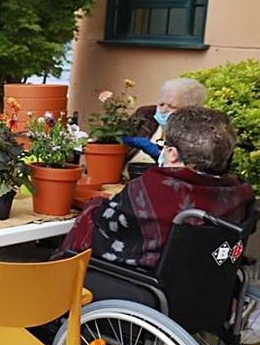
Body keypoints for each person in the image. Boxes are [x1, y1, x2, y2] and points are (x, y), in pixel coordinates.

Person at [61, 107, 253, 273]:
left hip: (143, 286)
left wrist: (95, 206)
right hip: (204, 292)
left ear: (172, 154)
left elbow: (108, 224)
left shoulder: (153, 190)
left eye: (165, 145)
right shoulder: (238, 193)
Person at [122, 77, 209, 162]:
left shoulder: (198, 133)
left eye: (172, 107)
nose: (163, 110)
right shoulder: (145, 114)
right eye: (161, 104)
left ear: (191, 110)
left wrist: (160, 154)